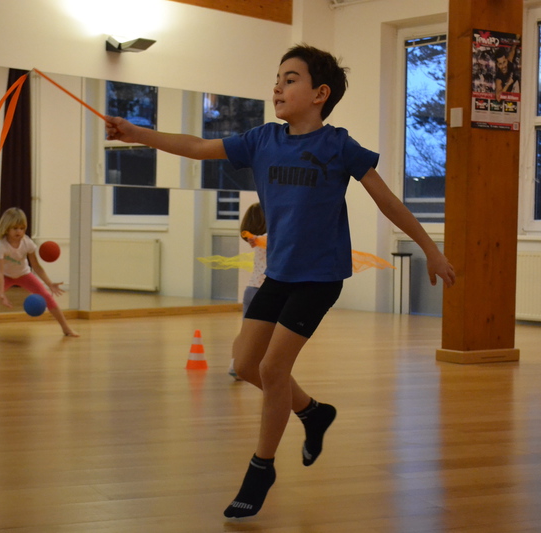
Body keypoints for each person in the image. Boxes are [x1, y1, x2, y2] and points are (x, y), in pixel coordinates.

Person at [106, 44, 456, 519]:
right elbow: (197, 147)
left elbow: (388, 201)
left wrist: (431, 248)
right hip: (280, 272)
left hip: (320, 277)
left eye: (290, 79)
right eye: (277, 78)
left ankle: (261, 468)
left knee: (272, 369)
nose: (278, 87)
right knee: (245, 363)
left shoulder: (339, 147)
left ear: (320, 94)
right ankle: (313, 411)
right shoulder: (262, 140)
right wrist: (136, 133)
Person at [0, 207, 78, 339]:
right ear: (7, 228)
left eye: (22, 228)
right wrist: (1, 293)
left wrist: (49, 283)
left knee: (47, 296)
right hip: (6, 276)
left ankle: (66, 328)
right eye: (15, 228)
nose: (19, 231)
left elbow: (36, 266)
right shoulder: (1, 246)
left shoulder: (28, 243)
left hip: (24, 275)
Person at [229, 202, 267, 381]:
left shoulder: (259, 240)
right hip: (264, 293)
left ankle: (235, 364)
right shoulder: (269, 238)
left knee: (245, 332)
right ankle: (256, 365)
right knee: (265, 335)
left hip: (251, 289)